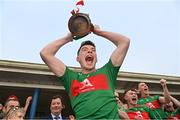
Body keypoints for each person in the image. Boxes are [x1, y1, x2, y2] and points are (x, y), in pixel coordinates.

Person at [40, 25, 130, 119]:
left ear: (96, 58)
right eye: (84, 50)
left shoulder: (108, 72)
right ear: (78, 58)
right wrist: (68, 38)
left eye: (93, 50)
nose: (89, 52)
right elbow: (45, 53)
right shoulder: (70, 78)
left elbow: (124, 42)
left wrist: (98, 32)